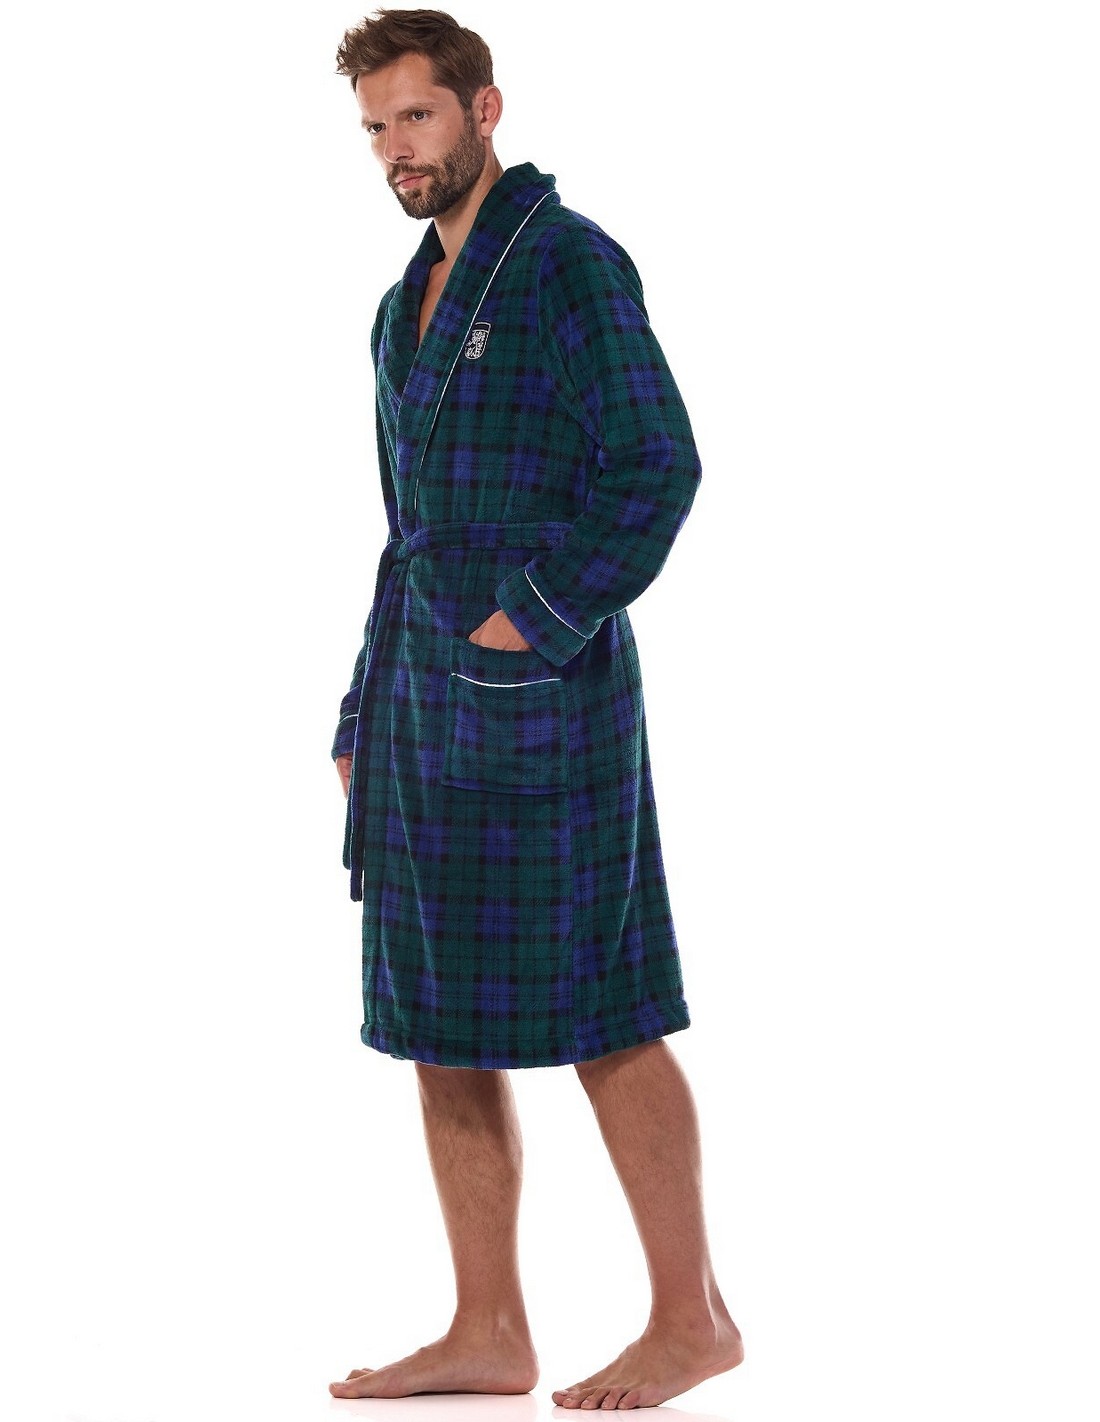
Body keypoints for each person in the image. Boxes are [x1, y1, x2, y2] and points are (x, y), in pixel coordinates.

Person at [327, 9, 742, 1410]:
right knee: (435, 1016)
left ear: (484, 109)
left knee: (603, 1005)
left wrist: (533, 618)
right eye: (376, 128)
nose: (397, 149)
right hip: (420, 699)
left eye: (418, 117)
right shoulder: (401, 307)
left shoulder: (567, 263)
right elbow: (404, 532)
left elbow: (658, 463)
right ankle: (487, 1325)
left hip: (543, 694)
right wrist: (364, 702)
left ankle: (691, 1318)